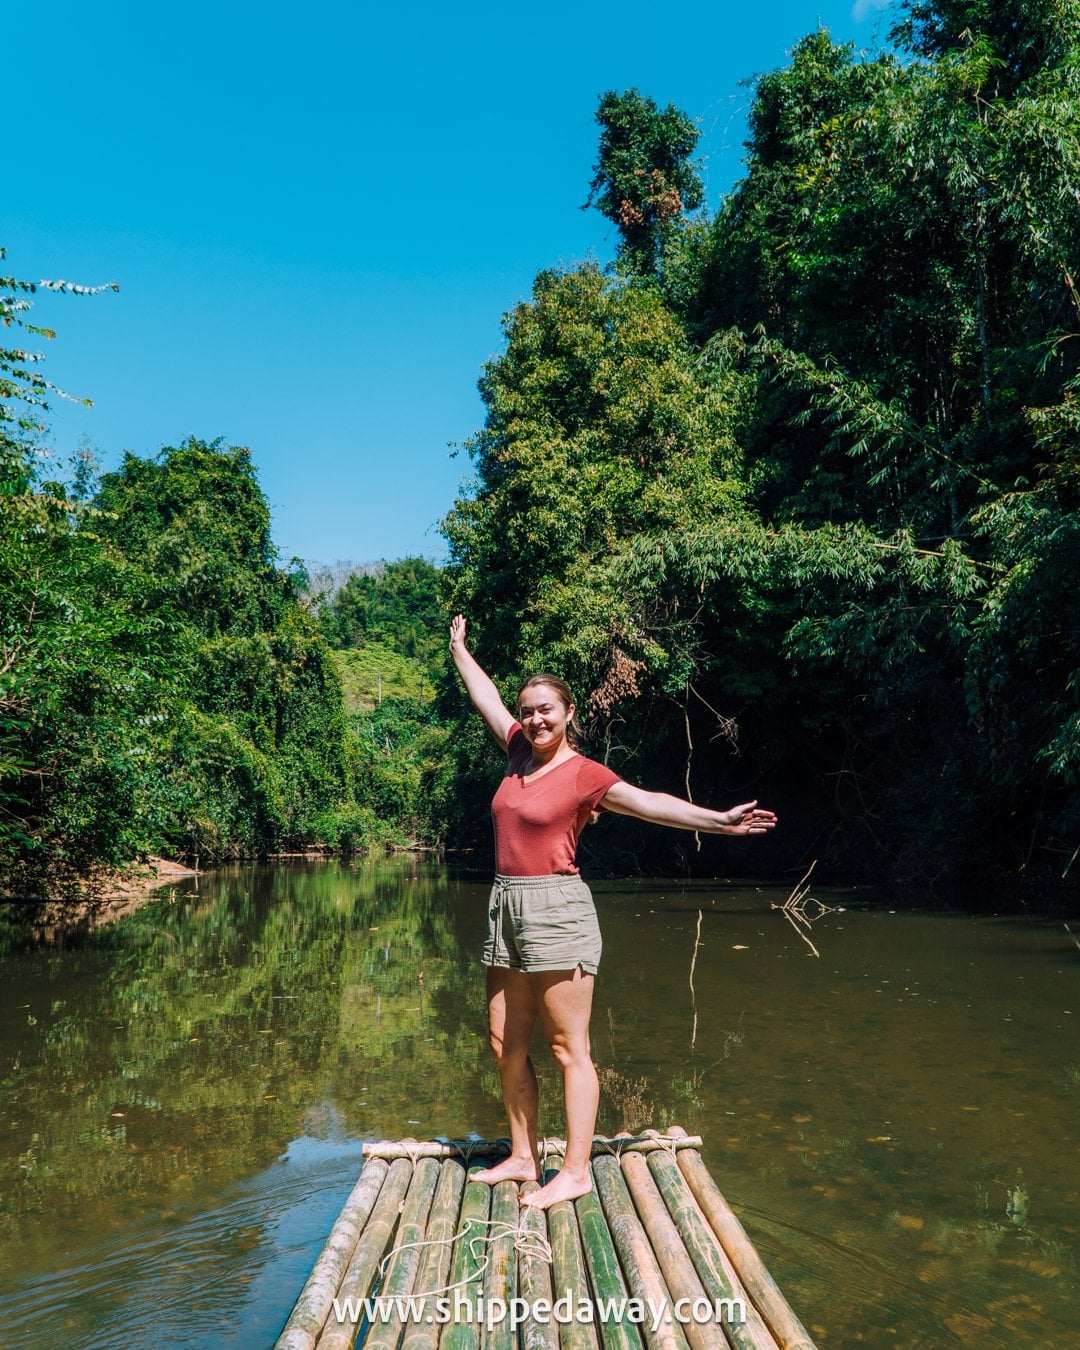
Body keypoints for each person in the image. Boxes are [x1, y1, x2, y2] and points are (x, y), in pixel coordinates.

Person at [449, 614, 777, 1209]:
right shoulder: (517, 751)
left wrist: (719, 821)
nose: (535, 719)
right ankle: (524, 1158)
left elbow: (648, 804)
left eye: (547, 709)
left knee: (568, 1047)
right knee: (504, 1043)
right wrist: (460, 649)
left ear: (569, 713)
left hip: (557, 908)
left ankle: (573, 1172)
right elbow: (485, 697)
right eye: (528, 710)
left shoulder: (583, 774)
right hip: (504, 906)